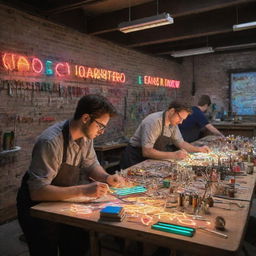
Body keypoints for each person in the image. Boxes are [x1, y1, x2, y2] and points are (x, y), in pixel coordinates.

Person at [17, 94, 124, 256]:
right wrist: (83, 190)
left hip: (62, 200)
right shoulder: (51, 142)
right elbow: (38, 190)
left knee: (77, 244)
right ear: (86, 118)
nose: (101, 131)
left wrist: (107, 177)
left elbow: (91, 164)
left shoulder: (87, 137)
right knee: (45, 249)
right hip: (37, 206)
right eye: (100, 126)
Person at [120, 101, 210, 169]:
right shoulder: (154, 122)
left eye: (183, 119)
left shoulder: (173, 123)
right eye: (180, 118)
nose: (181, 122)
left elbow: (181, 143)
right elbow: (147, 151)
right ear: (171, 111)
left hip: (150, 159)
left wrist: (199, 149)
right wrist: (174, 155)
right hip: (135, 158)